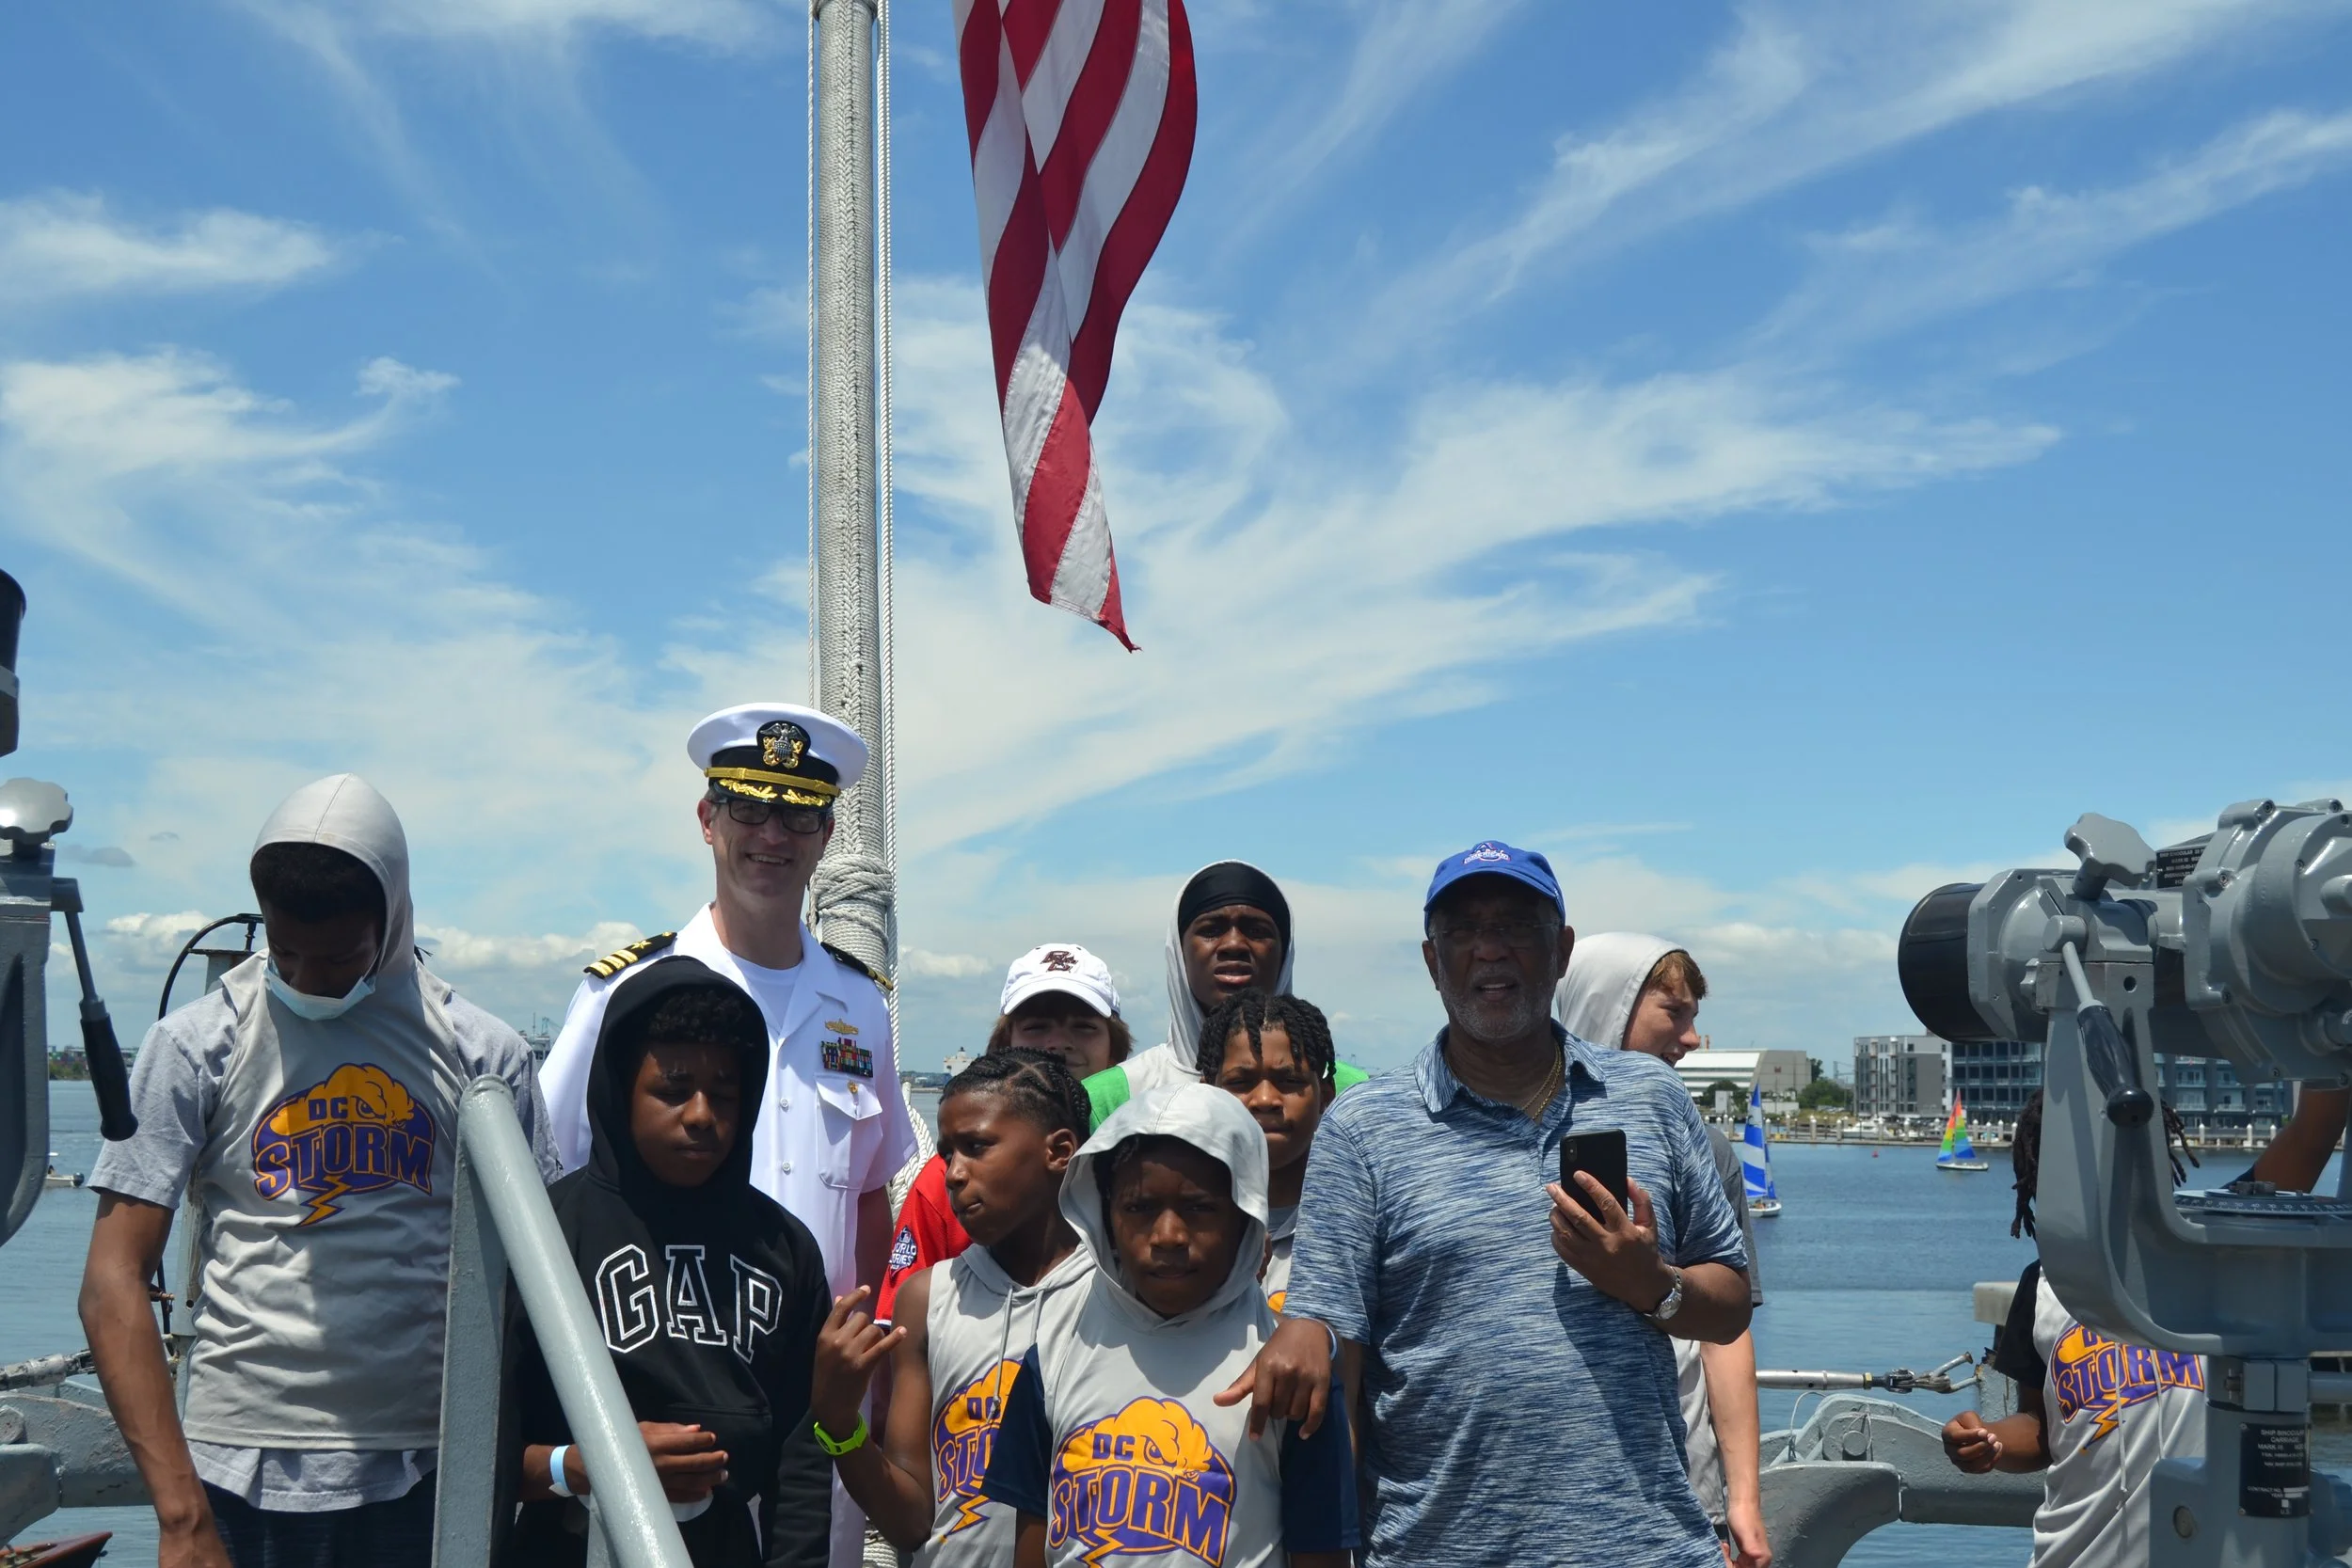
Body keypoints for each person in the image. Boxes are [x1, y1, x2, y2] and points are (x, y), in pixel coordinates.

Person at [1222, 840, 1752, 1568]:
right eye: (1463, 932)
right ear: (1432, 960)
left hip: (1649, 1547)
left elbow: (1729, 1300)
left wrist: (1650, 1285)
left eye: (1516, 927)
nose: (1490, 951)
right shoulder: (1363, 1128)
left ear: (1561, 950)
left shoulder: (1653, 1098)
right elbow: (1337, 1372)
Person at [78, 775, 559, 1568]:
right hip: (233, 1469)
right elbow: (112, 1279)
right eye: (287, 949)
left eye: (338, 957)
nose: (306, 978)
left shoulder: (481, 1055)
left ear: (393, 918)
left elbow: (536, 1280)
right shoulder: (198, 1044)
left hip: (427, 1472)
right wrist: (179, 1515)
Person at [537, 703, 917, 1568]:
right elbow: (558, 1183)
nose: (771, 837)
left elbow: (868, 1200)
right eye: (749, 808)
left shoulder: (861, 1005)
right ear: (708, 819)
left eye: (797, 816)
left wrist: (868, 1378)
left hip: (806, 1394)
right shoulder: (624, 996)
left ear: (825, 836)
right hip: (652, 1375)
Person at [506, 958, 832, 1567]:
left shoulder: (786, 1249)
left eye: (726, 1093)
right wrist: (585, 1464)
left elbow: (801, 1460)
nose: (703, 1114)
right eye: (673, 1089)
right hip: (564, 1545)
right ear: (620, 1087)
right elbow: (482, 1444)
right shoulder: (542, 1229)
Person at [1942, 1084, 2345, 1568]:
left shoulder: (2219, 1244)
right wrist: (1990, 1440)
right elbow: (2041, 1426)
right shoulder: (2046, 1282)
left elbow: (2314, 1131)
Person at [979, 1084, 1359, 1568]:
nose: (1168, 1236)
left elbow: (1319, 1551)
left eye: (1199, 1208)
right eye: (1139, 1208)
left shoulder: (1288, 1369)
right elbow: (1030, 1542)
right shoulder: (1054, 1350)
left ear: (1246, 1219)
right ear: (1106, 1216)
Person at [808, 1051, 1096, 1561]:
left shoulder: (1114, 1296)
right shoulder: (926, 1300)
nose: (954, 1174)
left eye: (977, 1147)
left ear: (1060, 1150)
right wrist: (837, 1422)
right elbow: (910, 1521)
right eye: (947, 1154)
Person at [1558, 935, 1770, 1568]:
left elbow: (1726, 1332)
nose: (1691, 1037)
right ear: (1608, 1007)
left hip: (1681, 1489)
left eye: (1694, 1017)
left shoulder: (1707, 1148)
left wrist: (1744, 1498)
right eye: (1673, 1012)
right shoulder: (1499, 1133)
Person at [875, 945, 1126, 1328]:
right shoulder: (943, 1182)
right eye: (1036, 1026)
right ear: (1004, 1045)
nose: (1058, 1042)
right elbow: (898, 1330)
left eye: (1084, 1026)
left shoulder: (1139, 1170)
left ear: (1115, 1050)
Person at [1081, 862, 1365, 1130]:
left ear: (1284, 954)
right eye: (1211, 930)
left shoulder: (1353, 1093)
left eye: (1256, 931)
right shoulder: (1109, 1100)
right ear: (1179, 954)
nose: (1233, 945)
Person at [1194, 991, 1339, 1314]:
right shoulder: (1179, 1224)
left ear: (1324, 1098)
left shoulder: (1351, 1223)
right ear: (1206, 1095)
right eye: (1241, 1082)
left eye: (1288, 1080)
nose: (1264, 1100)